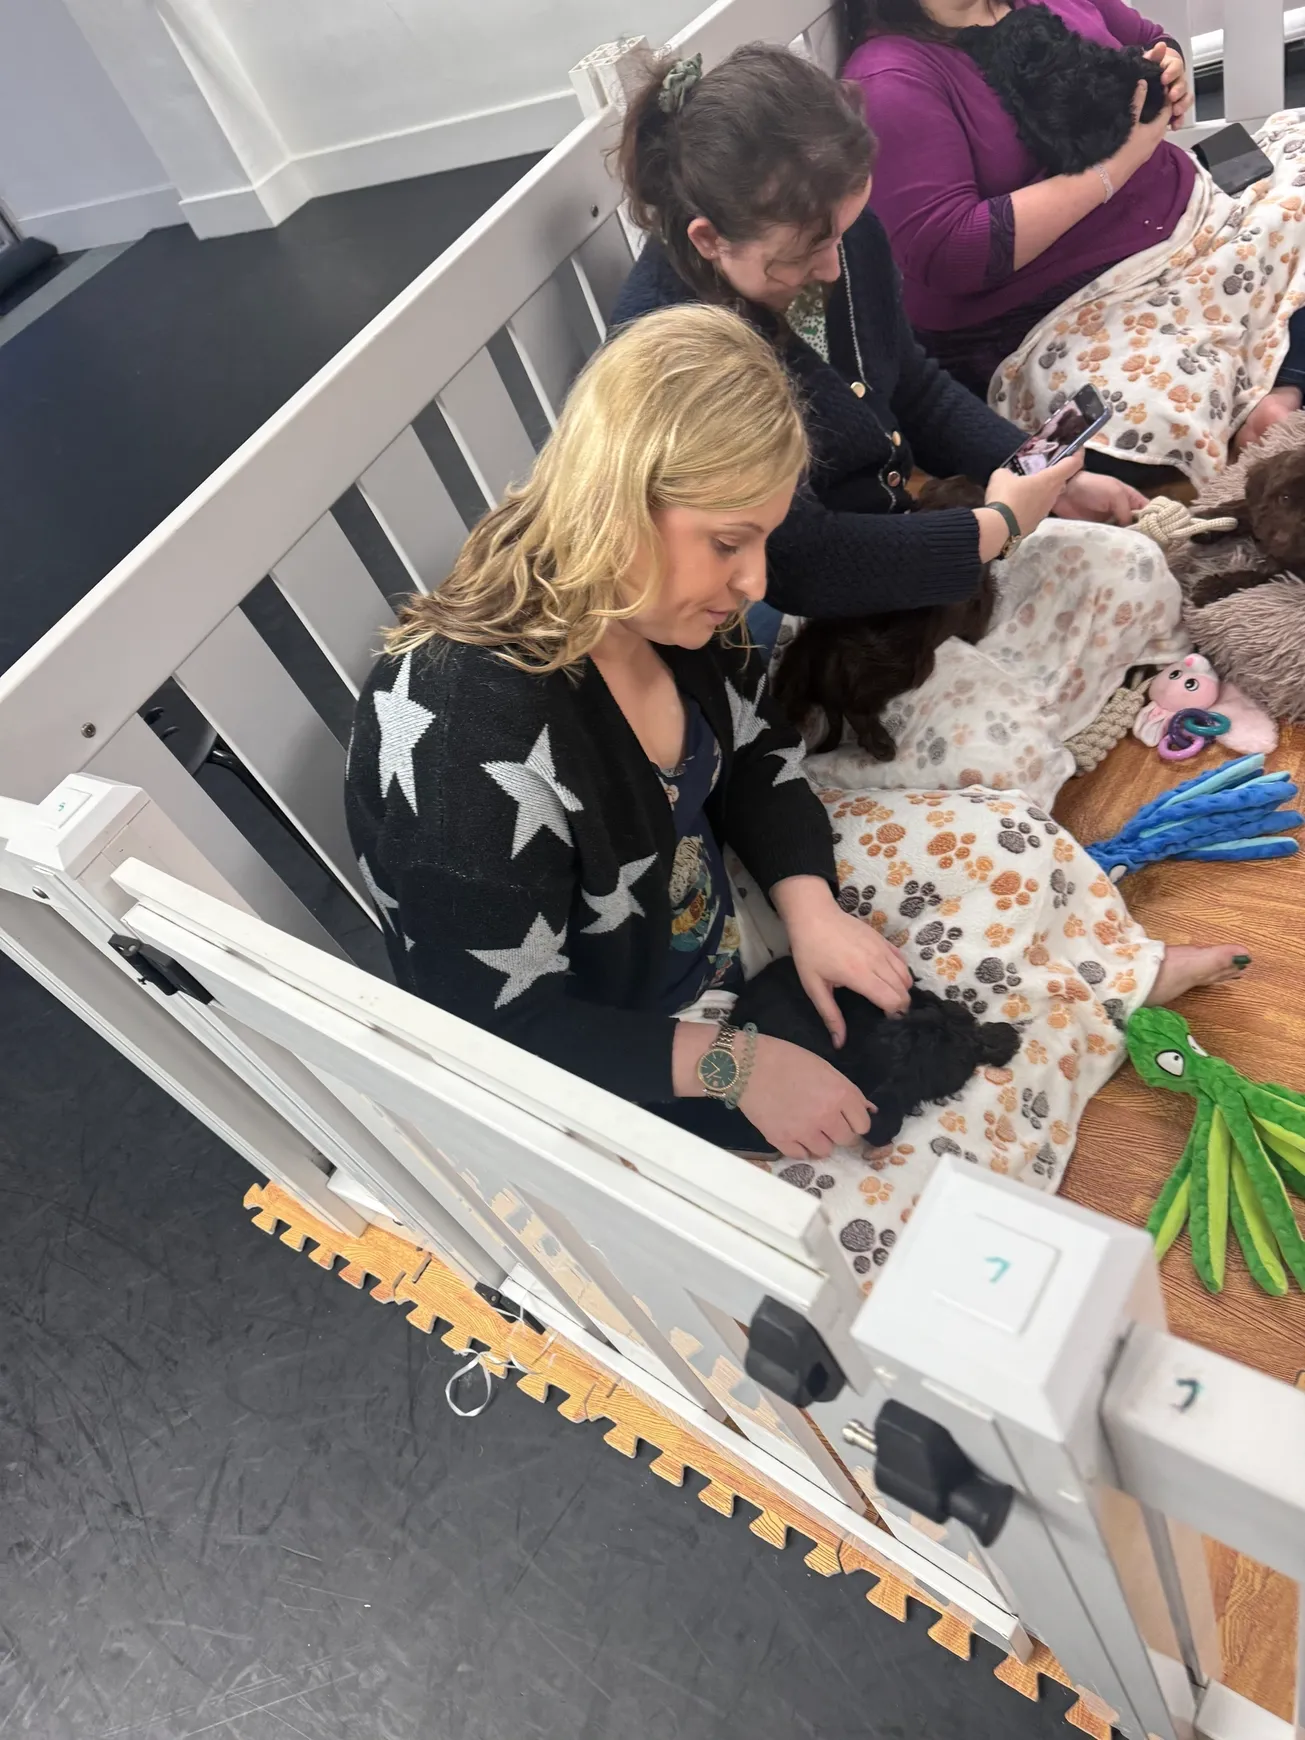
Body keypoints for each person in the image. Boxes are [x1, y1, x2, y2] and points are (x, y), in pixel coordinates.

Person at [344, 304, 1247, 1172]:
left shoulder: (667, 608)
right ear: (613, 502)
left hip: (701, 909)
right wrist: (731, 1063)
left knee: (1006, 838)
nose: (755, 582)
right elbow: (497, 1027)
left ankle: (1107, 977)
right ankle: (1082, 1011)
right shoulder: (462, 739)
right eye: (729, 543)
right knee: (918, 1150)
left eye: (765, 542)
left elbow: (757, 755)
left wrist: (810, 909)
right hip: (611, 1039)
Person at [609, 42, 1146, 632]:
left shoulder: (838, 230)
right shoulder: (678, 358)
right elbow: (794, 562)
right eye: (802, 253)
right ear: (709, 239)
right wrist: (994, 527)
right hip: (791, 606)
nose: (833, 268)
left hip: (899, 539)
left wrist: (1045, 477)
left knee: (1127, 585)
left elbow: (910, 385)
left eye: (840, 231)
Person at [843, 0, 1305, 467]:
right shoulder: (890, 78)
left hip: (1194, 217)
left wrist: (1171, 67)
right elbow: (950, 250)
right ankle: (1273, 386)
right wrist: (1116, 166)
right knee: (1143, 412)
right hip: (1067, 310)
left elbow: (1148, 37)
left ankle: (1280, 389)